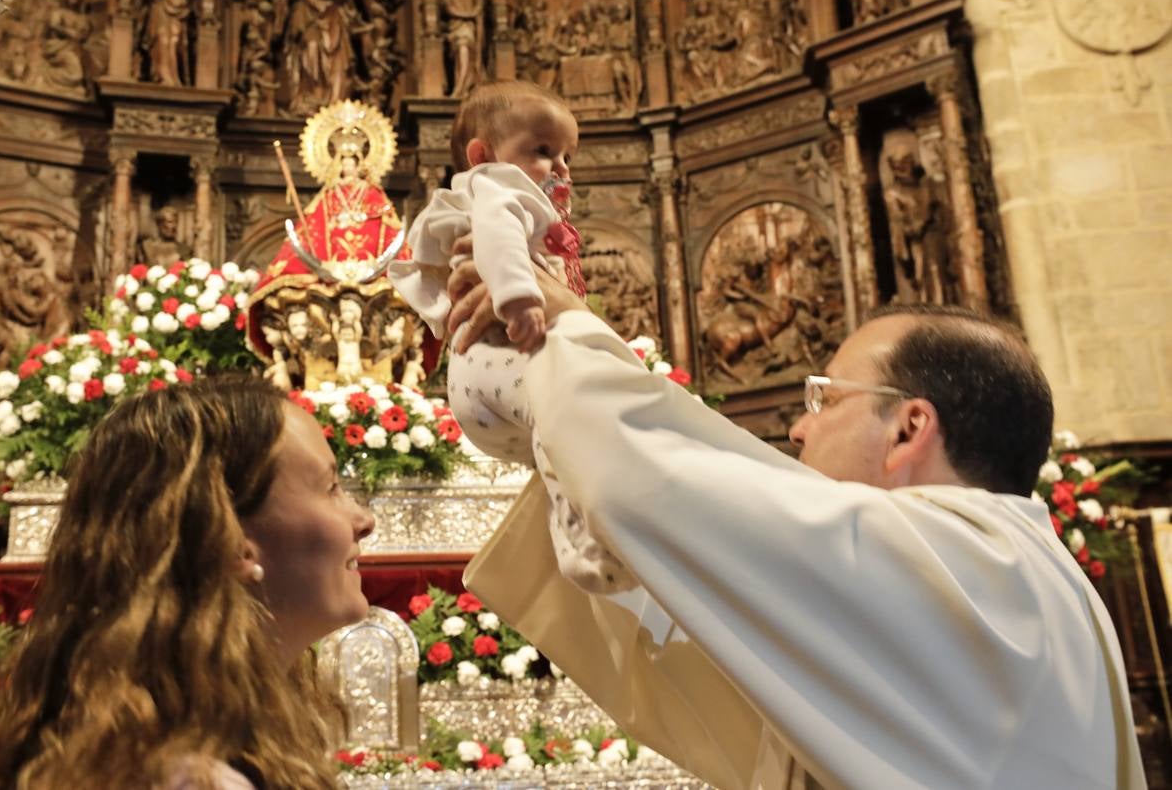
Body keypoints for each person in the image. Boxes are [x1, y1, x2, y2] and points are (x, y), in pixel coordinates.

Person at [447, 267, 1145, 790]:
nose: (800, 425)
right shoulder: (1021, 568)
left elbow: (638, 482)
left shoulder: (945, 552)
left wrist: (563, 333)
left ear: (909, 427)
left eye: (826, 397)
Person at [0, 376, 376, 789]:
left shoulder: (171, 733)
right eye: (331, 487)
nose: (365, 521)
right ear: (230, 540)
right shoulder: (183, 777)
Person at [388, 81, 630, 596]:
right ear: (484, 155)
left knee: (558, 442)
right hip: (501, 355)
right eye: (544, 151)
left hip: (476, 380)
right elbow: (498, 240)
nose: (561, 168)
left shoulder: (462, 201)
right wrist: (519, 299)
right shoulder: (499, 188)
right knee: (569, 416)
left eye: (567, 155)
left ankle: (570, 533)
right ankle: (583, 544)